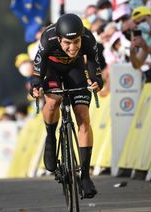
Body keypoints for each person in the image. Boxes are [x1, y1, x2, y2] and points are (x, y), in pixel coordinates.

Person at [30, 13, 106, 198]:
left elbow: (95, 66)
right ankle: (50, 138)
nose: (72, 47)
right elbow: (37, 71)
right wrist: (36, 85)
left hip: (75, 69)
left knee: (82, 115)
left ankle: (86, 176)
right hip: (52, 70)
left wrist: (96, 80)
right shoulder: (48, 38)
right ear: (58, 38)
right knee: (53, 100)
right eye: (67, 43)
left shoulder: (88, 38)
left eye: (76, 42)